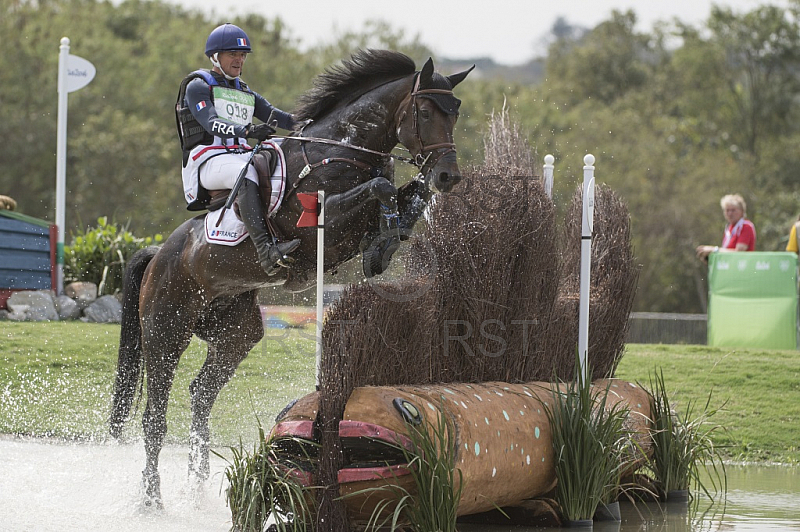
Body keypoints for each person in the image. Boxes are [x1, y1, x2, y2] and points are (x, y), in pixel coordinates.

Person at [177, 23, 300, 273]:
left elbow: (278, 116)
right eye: (233, 54)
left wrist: (313, 122)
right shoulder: (198, 86)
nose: (239, 60)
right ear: (215, 56)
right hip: (208, 163)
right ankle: (266, 251)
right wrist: (246, 131)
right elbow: (210, 123)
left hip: (240, 156)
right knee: (245, 170)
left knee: (285, 156)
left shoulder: (244, 91)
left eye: (242, 55)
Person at [696, 193, 756, 261]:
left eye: (733, 210)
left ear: (742, 211)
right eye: (727, 210)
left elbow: (739, 252)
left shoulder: (746, 226)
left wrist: (714, 250)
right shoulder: (729, 228)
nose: (730, 213)